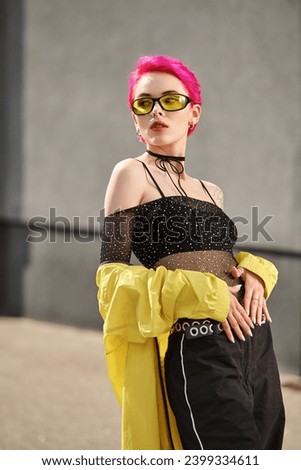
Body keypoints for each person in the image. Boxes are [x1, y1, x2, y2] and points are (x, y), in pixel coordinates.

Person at [96, 55, 285, 450]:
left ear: (193, 113)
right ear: (135, 121)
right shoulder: (130, 173)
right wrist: (199, 293)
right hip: (199, 343)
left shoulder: (212, 190)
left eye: (170, 100)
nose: (157, 111)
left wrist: (253, 272)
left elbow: (221, 259)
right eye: (144, 103)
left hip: (257, 340)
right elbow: (110, 278)